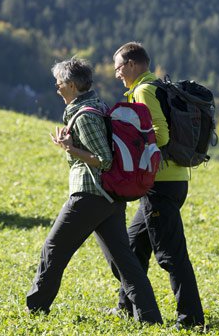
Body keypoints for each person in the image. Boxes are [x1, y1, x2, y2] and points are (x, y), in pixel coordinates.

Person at [26, 57, 162, 324]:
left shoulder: (86, 115)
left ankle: (36, 308)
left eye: (60, 82)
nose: (57, 87)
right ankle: (149, 318)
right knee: (124, 261)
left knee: (53, 249)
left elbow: (103, 158)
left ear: (73, 85)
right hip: (109, 198)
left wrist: (70, 149)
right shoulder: (96, 106)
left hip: (89, 195)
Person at [110, 42, 206, 329]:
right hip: (173, 181)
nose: (116, 75)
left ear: (130, 64)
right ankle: (125, 307)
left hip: (160, 183)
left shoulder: (144, 90)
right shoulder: (159, 87)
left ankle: (190, 321)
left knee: (171, 255)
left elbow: (160, 135)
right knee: (133, 246)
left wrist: (131, 155)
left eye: (117, 68)